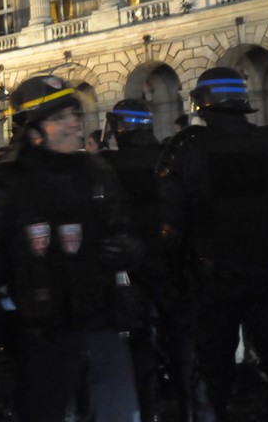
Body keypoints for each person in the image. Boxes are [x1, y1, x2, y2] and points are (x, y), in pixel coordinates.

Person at [0, 74, 143, 422]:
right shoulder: (2, 184)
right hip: (38, 339)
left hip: (101, 326)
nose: (74, 123)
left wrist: (125, 250)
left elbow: (127, 231)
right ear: (33, 131)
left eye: (74, 114)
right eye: (60, 118)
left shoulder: (96, 172)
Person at [156, 66, 268, 422]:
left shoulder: (187, 146)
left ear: (203, 105)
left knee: (212, 367)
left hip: (213, 275)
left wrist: (173, 275)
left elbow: (171, 220)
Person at [99, 98, 193, 422]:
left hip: (130, 266)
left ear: (120, 128)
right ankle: (187, 407)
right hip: (170, 261)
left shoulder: (107, 164)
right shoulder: (169, 158)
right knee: (180, 338)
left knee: (138, 342)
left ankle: (147, 410)